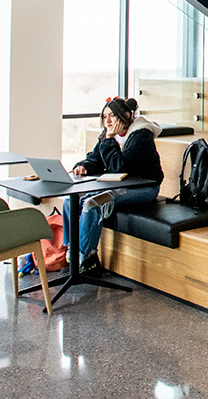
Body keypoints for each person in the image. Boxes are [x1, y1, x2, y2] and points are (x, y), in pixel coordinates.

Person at [67, 97, 164, 273]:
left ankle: (87, 258)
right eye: (105, 117)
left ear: (126, 115)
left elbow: (119, 168)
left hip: (144, 187)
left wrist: (109, 139)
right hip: (120, 186)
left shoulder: (141, 135)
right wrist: (83, 166)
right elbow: (94, 159)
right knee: (70, 200)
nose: (108, 121)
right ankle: (71, 252)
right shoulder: (108, 135)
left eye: (112, 116)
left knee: (92, 203)